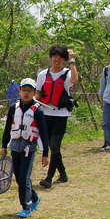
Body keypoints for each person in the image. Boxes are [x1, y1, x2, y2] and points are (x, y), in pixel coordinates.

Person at [2, 79, 50, 218]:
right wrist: (4, 145)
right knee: (18, 177)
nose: (26, 93)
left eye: (30, 90)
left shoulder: (38, 111)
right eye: (24, 90)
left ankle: (26, 207)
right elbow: (7, 128)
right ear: (19, 91)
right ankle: (34, 198)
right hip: (15, 146)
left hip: (29, 147)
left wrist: (45, 153)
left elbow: (43, 133)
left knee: (24, 177)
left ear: (34, 93)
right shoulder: (13, 108)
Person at [35, 45, 79, 188]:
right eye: (54, 56)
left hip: (60, 115)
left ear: (64, 59)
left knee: (55, 145)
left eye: (60, 57)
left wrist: (72, 60)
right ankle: (63, 174)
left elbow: (75, 79)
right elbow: (38, 93)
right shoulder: (42, 74)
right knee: (50, 146)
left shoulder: (67, 74)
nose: (57, 59)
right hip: (45, 114)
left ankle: (49, 177)